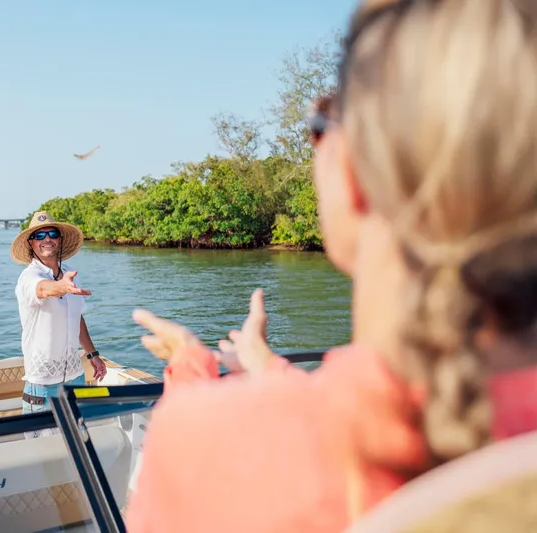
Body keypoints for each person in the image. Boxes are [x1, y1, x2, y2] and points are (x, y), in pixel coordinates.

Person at [125, 0, 537, 531]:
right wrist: (265, 364)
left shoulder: (202, 447)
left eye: (324, 119)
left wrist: (189, 368)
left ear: (354, 170)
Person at [11, 211, 107, 422]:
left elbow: (76, 318)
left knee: (78, 437)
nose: (47, 239)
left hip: (76, 377)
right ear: (31, 243)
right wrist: (62, 287)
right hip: (43, 385)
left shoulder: (71, 274)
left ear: (60, 240)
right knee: (43, 444)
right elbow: (43, 289)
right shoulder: (29, 277)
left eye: (52, 234)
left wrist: (92, 354)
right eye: (39, 235)